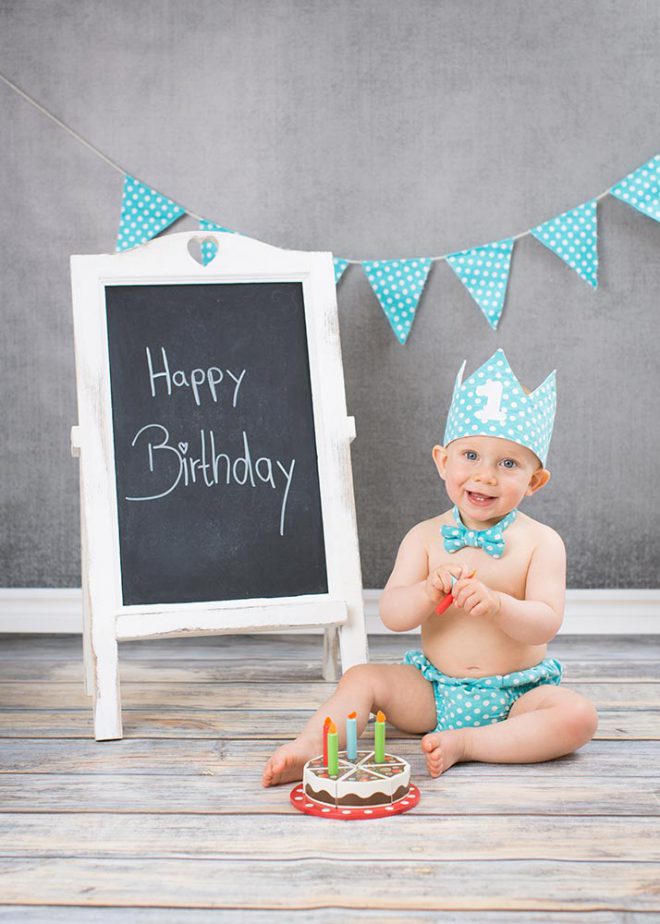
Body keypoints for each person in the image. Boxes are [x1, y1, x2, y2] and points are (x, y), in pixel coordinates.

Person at [262, 349, 598, 786]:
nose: (486, 476)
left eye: (509, 464)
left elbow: (545, 624)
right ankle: (311, 745)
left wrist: (498, 605)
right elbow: (393, 616)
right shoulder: (423, 536)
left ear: (534, 481)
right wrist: (425, 593)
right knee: (363, 678)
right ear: (443, 461)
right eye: (471, 456)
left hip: (519, 695)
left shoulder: (541, 542)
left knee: (577, 717)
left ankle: (471, 744)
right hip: (434, 693)